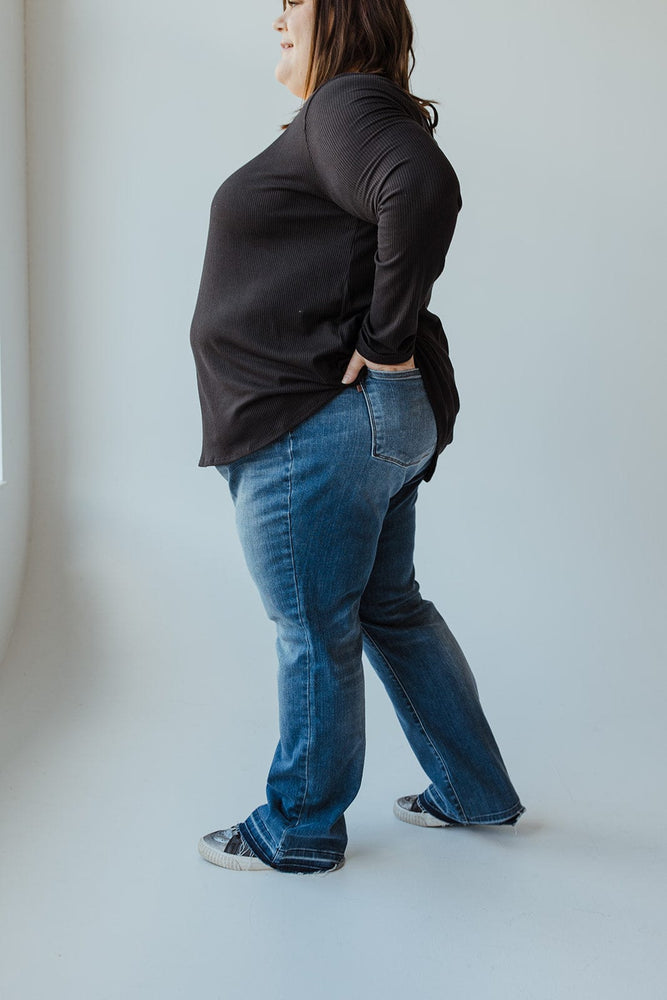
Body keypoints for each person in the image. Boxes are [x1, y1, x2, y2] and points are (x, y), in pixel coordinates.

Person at [190, 0, 526, 876]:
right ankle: (474, 790)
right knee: (387, 608)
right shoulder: (346, 112)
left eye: (295, 3)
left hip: (317, 429)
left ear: (341, 16)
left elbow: (421, 187)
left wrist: (380, 344)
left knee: (312, 625)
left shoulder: (345, 105)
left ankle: (298, 826)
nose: (276, 16)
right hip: (360, 426)